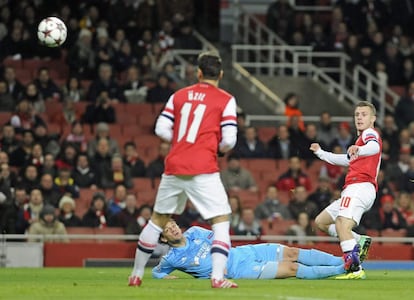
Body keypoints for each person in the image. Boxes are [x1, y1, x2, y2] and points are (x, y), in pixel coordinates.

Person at [128, 51, 239, 288]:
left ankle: (136, 274)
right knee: (221, 221)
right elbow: (229, 140)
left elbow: (160, 129)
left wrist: (180, 142)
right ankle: (217, 278)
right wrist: (214, 148)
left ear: (198, 73)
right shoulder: (226, 99)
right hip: (204, 166)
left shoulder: (178, 95)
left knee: (157, 220)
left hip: (175, 165)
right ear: (220, 73)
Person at [310, 101, 382, 279]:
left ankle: (355, 269)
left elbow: (375, 146)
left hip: (360, 186)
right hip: (354, 188)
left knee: (342, 223)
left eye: (364, 114)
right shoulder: (360, 143)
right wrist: (321, 153)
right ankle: (359, 240)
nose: (359, 117)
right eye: (357, 114)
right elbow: (346, 159)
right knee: (322, 222)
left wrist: (360, 148)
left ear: (373, 119)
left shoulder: (369, 135)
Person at [152, 220, 345, 280]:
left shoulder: (195, 232)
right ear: (163, 238)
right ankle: (342, 269)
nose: (174, 229)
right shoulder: (171, 259)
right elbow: (156, 273)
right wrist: (165, 277)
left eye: (173, 224)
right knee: (291, 268)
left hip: (243, 253)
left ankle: (343, 260)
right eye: (168, 229)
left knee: (292, 252)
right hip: (241, 271)